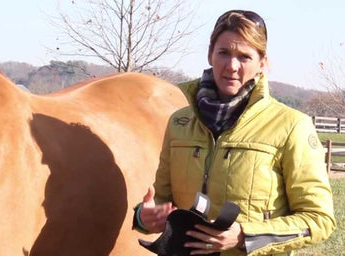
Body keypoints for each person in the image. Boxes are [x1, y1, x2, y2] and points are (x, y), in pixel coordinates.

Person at [133, 10, 336, 255]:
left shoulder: (292, 126)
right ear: (210, 55)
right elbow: (163, 199)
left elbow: (319, 220)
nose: (232, 66)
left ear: (262, 63)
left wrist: (244, 236)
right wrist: (145, 217)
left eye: (244, 57)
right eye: (224, 53)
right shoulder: (180, 122)